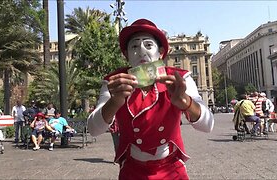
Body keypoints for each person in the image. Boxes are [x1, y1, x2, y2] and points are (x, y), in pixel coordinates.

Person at [87, 19, 214, 179]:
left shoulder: (179, 78)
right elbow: (93, 129)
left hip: (171, 169)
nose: (141, 51)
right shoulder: (114, 82)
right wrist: (113, 103)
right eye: (134, 46)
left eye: (148, 45)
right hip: (132, 170)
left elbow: (208, 125)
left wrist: (186, 102)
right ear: (126, 54)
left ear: (160, 52)